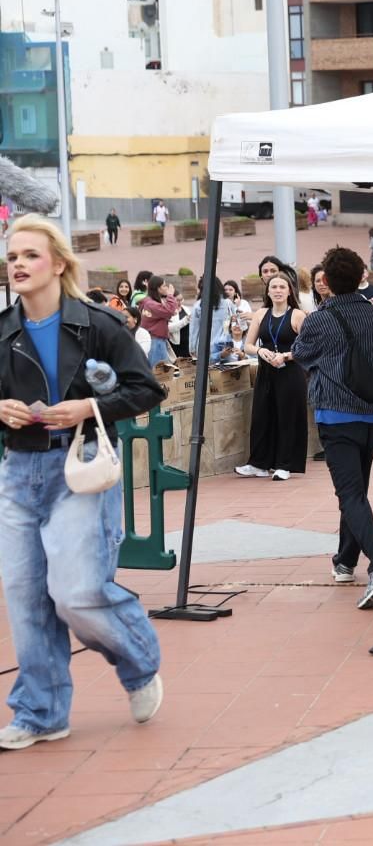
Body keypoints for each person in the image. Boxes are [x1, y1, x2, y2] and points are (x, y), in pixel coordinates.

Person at [0, 214, 167, 750]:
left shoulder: (98, 324)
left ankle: (138, 663)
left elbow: (147, 388)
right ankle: (41, 712)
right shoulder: (2, 330)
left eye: (29, 255)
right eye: (12, 257)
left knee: (75, 593)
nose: (18, 265)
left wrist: (90, 405)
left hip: (82, 468)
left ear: (59, 263)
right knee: (26, 598)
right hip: (19, 471)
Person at [291, 246, 373, 608]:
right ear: (361, 277)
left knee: (350, 494)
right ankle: (346, 562)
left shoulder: (319, 320)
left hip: (336, 416)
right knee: (356, 491)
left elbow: (301, 355)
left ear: (328, 283)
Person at [236, 272, 308, 481]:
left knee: (287, 417)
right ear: (267, 291)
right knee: (261, 416)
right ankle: (258, 463)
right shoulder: (261, 314)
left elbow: (307, 348)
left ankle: (284, 464)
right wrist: (260, 352)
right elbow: (248, 345)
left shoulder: (297, 315)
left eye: (282, 287)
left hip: (290, 373)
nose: (277, 291)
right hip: (266, 372)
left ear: (289, 291)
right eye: (273, 287)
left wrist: (285, 356)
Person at [137, 275, 181, 370]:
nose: (166, 288)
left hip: (156, 340)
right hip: (155, 341)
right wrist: (170, 295)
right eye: (164, 286)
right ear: (158, 288)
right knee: (158, 372)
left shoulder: (149, 301)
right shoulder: (151, 303)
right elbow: (170, 311)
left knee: (161, 372)